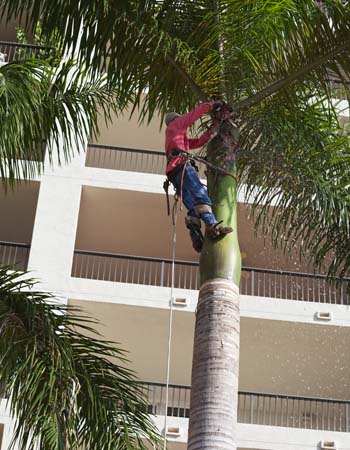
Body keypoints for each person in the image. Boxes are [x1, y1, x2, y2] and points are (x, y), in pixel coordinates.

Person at [165, 102, 233, 253]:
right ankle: (212, 225)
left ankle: (196, 238)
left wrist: (212, 129)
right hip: (182, 166)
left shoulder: (176, 137)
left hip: (173, 172)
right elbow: (193, 115)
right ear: (175, 120)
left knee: (193, 207)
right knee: (200, 195)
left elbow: (199, 142)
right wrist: (212, 105)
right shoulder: (175, 125)